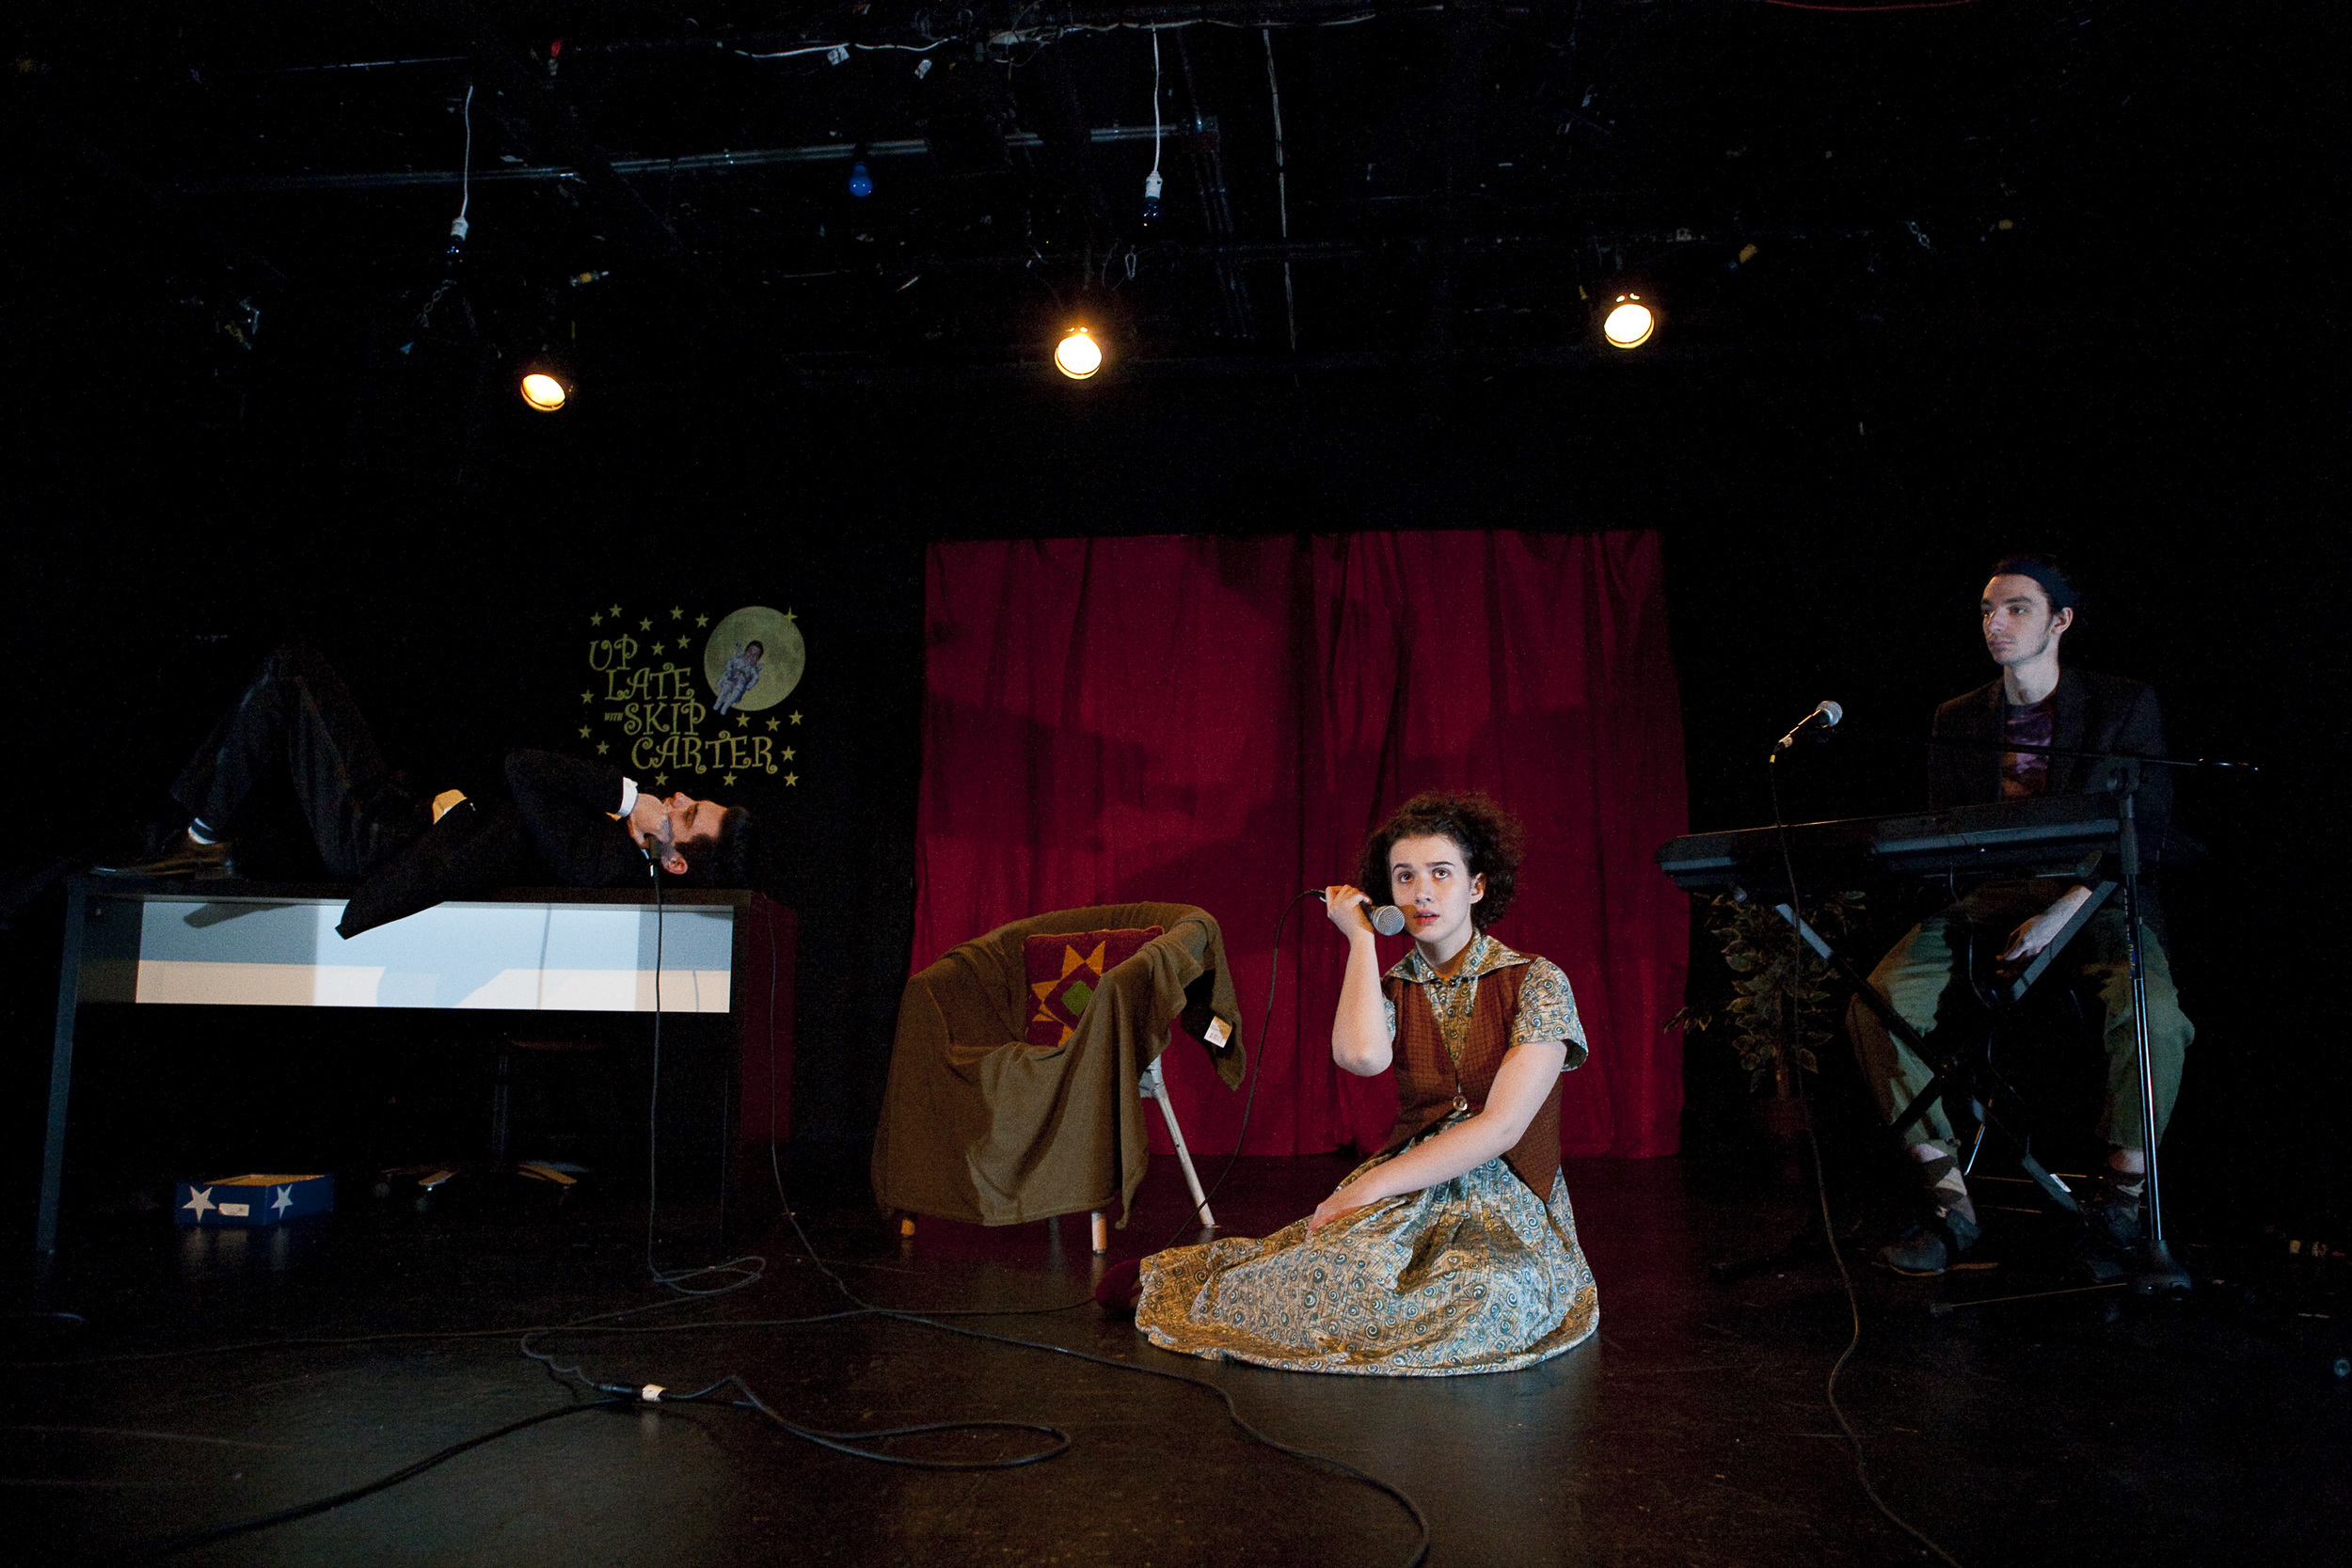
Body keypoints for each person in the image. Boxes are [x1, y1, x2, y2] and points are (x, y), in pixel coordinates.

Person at [1124, 791, 1598, 1375]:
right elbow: (1361, 1056)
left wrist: (1365, 1190)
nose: (1421, 891)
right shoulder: (1393, 984)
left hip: (1507, 1199)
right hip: (1413, 1185)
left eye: (1441, 873)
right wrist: (1361, 939)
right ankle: (1186, 1285)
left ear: (1477, 886)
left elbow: (1501, 1127)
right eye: (1404, 878)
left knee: (1487, 1295)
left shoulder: (1538, 981)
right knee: (1341, 1274)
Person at [1848, 556, 2193, 1275]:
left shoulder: (2122, 706)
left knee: (2154, 1016)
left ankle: (2124, 1208)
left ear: (2059, 620)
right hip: (1990, 897)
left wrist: (2059, 914)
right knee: (1875, 1003)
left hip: (2094, 894)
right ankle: (1950, 1204)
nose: (1995, 623)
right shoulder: (1959, 718)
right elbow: (1946, 839)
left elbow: (2145, 828)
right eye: (1986, 610)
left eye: (2015, 608)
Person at [99, 643, 754, 931]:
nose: (673, 797)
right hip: (401, 818)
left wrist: (624, 795)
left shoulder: (608, 862)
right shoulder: (612, 847)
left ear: (675, 858)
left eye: (687, 811)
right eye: (683, 796)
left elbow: (523, 767)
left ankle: (198, 835)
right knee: (288, 676)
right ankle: (192, 831)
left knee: (294, 672)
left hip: (383, 842)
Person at [713, 640, 765, 715]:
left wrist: (750, 685)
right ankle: (718, 703)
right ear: (745, 651)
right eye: (750, 652)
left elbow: (756, 678)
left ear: (757, 660)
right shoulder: (738, 659)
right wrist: (729, 670)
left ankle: (726, 706)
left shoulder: (752, 669)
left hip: (741, 683)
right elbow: (730, 662)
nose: (751, 656)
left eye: (755, 655)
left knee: (736, 693)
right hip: (731, 679)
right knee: (725, 689)